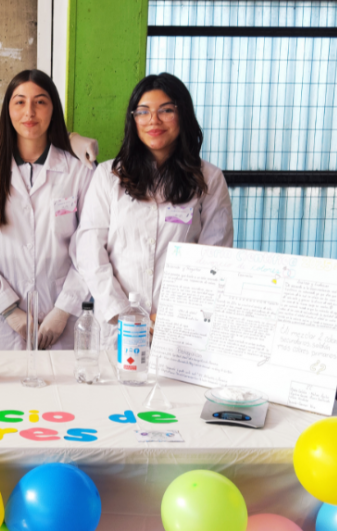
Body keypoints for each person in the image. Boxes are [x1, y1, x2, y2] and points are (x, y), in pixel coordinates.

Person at [77, 73, 233, 339]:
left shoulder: (209, 179)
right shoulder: (108, 176)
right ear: (133, 119)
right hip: (117, 329)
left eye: (166, 110)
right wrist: (125, 315)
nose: (154, 120)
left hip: (181, 329)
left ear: (183, 115)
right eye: (143, 112)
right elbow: (90, 251)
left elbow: (215, 258)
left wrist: (173, 316)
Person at [0, 69, 93, 351]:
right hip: (4, 323)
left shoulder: (77, 171)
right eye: (20, 102)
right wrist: (10, 310)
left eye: (40, 102)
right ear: (8, 110)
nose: (29, 112)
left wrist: (63, 310)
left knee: (62, 380)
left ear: (53, 108)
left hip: (65, 321)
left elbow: (90, 246)